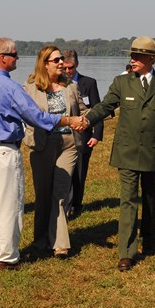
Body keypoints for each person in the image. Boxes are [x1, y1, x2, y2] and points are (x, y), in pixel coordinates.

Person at [0, 37, 85, 274]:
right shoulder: (10, 87)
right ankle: (8, 257)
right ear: (2, 58)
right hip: (3, 151)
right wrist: (68, 119)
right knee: (10, 205)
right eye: (15, 55)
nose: (18, 58)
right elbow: (36, 117)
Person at [81, 36, 155, 272]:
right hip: (126, 153)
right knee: (128, 201)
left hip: (153, 153)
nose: (132, 59)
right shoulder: (121, 82)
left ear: (151, 58)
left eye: (138, 56)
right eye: (131, 55)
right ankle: (126, 251)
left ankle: (150, 240)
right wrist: (86, 120)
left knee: (150, 198)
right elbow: (105, 106)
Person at [23, 46, 87, 258]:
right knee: (43, 194)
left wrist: (87, 120)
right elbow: (25, 115)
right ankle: (41, 239)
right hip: (42, 144)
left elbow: (83, 111)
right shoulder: (30, 87)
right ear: (45, 63)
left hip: (68, 143)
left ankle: (60, 244)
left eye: (62, 59)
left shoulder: (71, 86)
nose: (62, 63)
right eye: (57, 60)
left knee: (60, 193)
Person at [62, 49, 103, 218]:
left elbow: (98, 110)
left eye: (70, 68)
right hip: (63, 135)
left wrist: (96, 135)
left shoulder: (89, 83)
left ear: (76, 65)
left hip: (83, 136)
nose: (67, 71)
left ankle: (76, 205)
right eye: (64, 68)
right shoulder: (58, 84)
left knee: (79, 172)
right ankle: (65, 203)